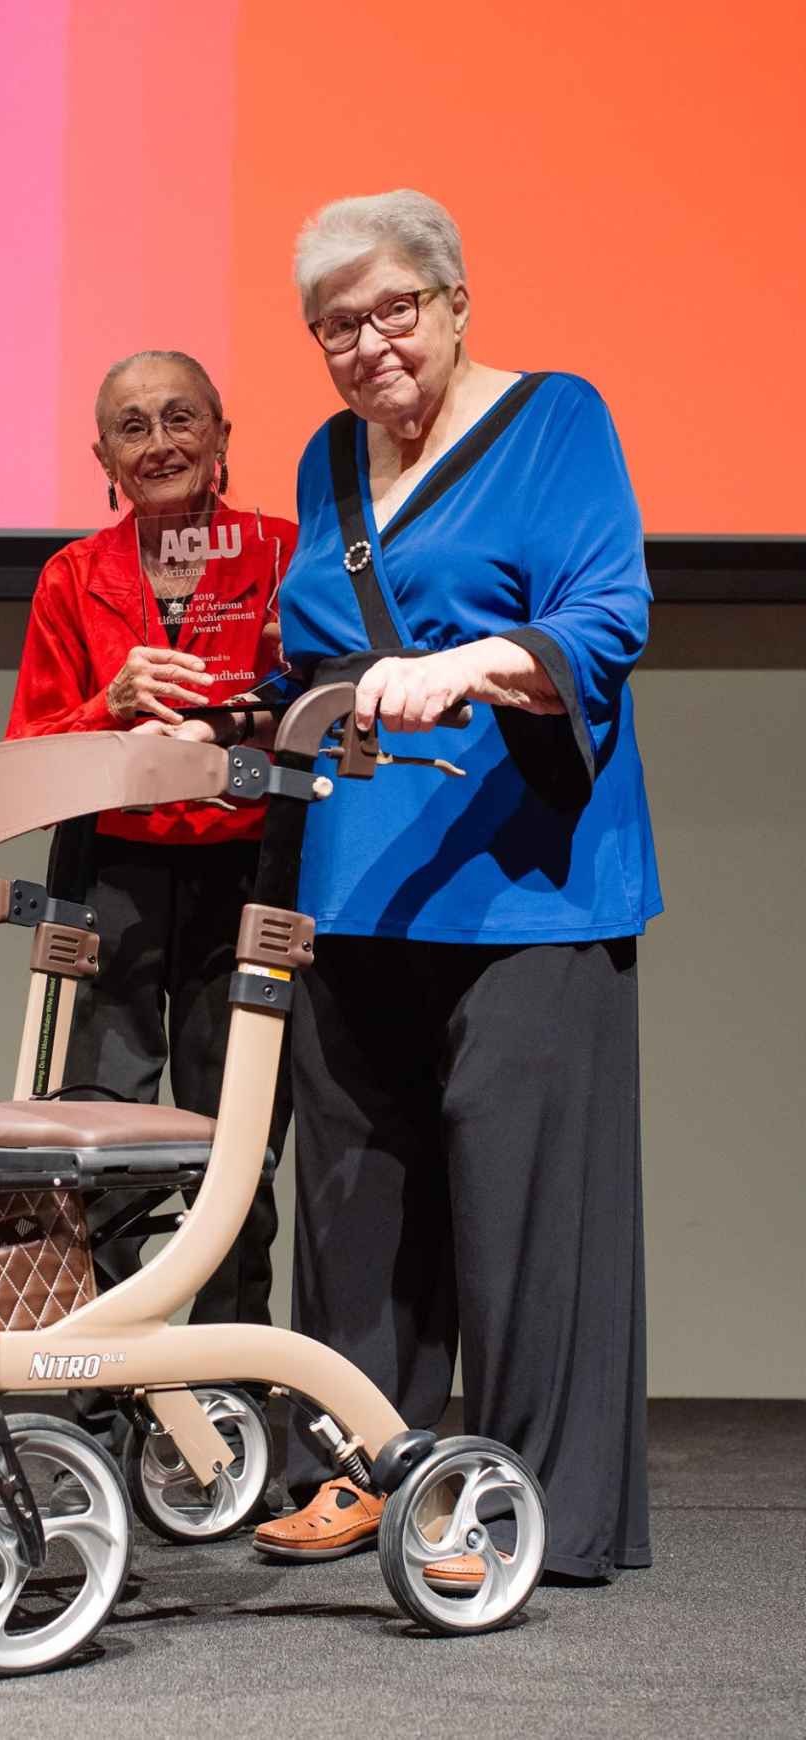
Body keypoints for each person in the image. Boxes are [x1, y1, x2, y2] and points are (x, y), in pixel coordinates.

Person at [177, 192, 660, 1581]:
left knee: (520, 1202)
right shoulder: (331, 457)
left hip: (526, 886)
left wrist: (469, 662)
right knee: (355, 1193)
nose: (370, 343)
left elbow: (603, 617)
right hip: (355, 879)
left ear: (455, 301)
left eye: (395, 308)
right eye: (337, 325)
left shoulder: (559, 420)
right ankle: (366, 1463)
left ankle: (517, 1499)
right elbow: (308, 653)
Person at [6, 350, 296, 1451]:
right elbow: (30, 752)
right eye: (133, 427)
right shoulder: (73, 577)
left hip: (244, 871)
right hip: (113, 875)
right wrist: (107, 700)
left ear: (224, 431)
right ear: (103, 459)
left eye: (181, 418)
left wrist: (246, 714)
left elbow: (322, 703)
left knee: (239, 1149)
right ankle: (109, 1398)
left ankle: (235, 1391)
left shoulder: (281, 553)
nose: (160, 441)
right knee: (105, 1137)